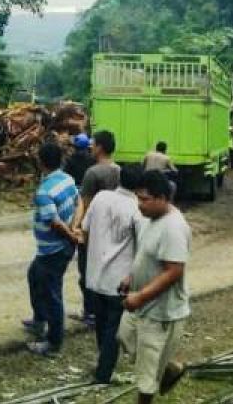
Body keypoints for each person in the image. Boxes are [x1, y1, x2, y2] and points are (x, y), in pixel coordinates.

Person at [118, 170, 191, 404]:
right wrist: (131, 278)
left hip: (161, 312)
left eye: (145, 199)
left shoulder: (174, 227)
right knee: (124, 336)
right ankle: (169, 366)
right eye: (138, 198)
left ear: (162, 198)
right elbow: (144, 253)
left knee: (146, 375)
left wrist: (140, 296)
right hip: (142, 305)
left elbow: (174, 271)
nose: (139, 204)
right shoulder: (148, 219)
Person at [81, 163, 143, 385]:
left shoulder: (100, 198)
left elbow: (85, 229)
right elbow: (143, 247)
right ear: (140, 186)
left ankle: (102, 364)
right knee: (112, 329)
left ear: (119, 178)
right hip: (119, 280)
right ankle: (103, 374)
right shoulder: (137, 209)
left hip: (94, 275)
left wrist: (92, 256)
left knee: (100, 322)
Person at [25, 141, 81, 357]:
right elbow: (80, 202)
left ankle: (53, 343)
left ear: (40, 162)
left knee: (52, 294)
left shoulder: (44, 192)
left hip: (54, 249)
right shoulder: (67, 179)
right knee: (34, 275)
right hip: (58, 247)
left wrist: (70, 235)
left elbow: (54, 223)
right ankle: (39, 320)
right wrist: (75, 229)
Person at [72, 131, 122, 326]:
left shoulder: (93, 173)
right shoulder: (119, 170)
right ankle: (105, 310)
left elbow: (85, 204)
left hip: (93, 231)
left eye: (93, 144)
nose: (90, 147)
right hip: (113, 229)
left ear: (100, 147)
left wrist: (79, 230)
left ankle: (90, 312)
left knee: (86, 272)